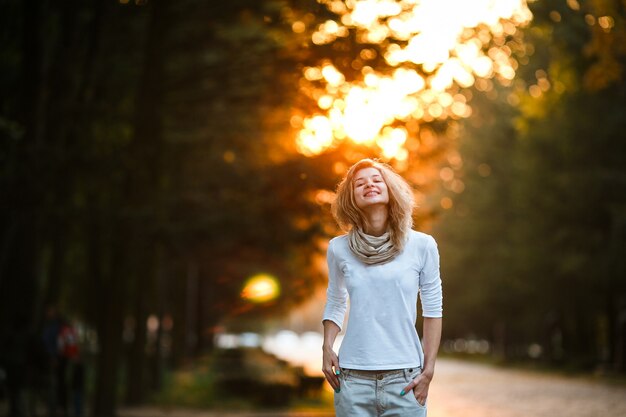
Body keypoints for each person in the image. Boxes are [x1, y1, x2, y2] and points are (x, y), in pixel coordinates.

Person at [322, 158, 443, 417]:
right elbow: (335, 300)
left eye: (377, 180)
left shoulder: (422, 246)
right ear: (350, 198)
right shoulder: (338, 248)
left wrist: (428, 370)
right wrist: (326, 346)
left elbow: (433, 309)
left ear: (390, 190)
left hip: (405, 379)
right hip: (352, 380)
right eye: (359, 184)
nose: (369, 185)